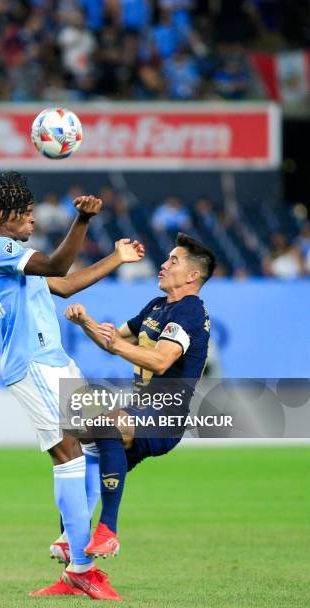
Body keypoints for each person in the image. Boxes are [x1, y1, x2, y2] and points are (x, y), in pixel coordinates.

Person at [0, 171, 145, 601]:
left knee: (100, 440)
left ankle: (71, 540)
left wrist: (116, 258)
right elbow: (57, 265)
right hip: (33, 366)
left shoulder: (18, 256)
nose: (32, 222)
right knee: (67, 452)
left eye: (33, 214)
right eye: (26, 215)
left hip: (57, 362)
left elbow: (64, 285)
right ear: (2, 215)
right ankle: (81, 568)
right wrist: (83, 221)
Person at [64, 232, 215, 558]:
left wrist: (117, 345)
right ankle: (75, 558)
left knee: (105, 426)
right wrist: (85, 322)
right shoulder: (158, 306)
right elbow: (112, 340)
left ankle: (107, 531)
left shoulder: (189, 312)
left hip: (165, 416)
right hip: (140, 411)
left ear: (192, 275)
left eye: (173, 261)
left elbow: (161, 360)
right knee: (78, 448)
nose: (163, 264)